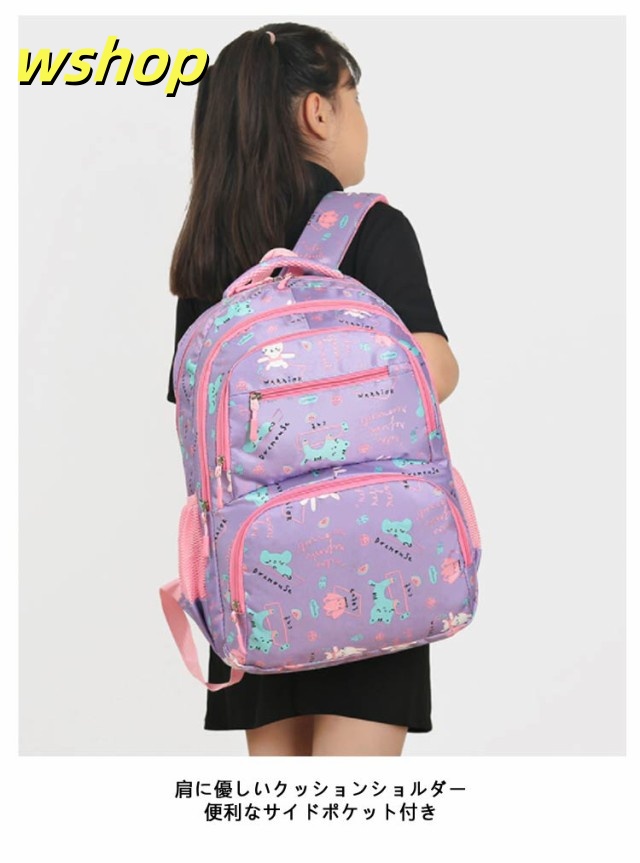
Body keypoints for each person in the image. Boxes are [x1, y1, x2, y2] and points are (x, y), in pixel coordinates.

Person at [166, 22, 460, 756]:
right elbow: (432, 370)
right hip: (374, 561)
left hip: (252, 575)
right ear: (318, 111)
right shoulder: (371, 227)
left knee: (285, 806)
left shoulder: (208, 251)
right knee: (349, 806)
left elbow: (202, 427)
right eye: (353, 96)